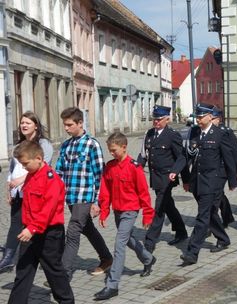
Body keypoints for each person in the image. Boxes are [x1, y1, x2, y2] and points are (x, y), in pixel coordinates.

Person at [8, 140, 74, 304]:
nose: (23, 167)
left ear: (38, 158)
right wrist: (28, 228)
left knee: (53, 271)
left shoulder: (51, 179)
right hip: (30, 231)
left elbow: (48, 209)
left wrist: (32, 228)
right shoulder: (31, 176)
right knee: (23, 270)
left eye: (25, 164)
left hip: (48, 234)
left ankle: (66, 301)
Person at [94, 132, 156, 301]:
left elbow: (144, 193)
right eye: (109, 150)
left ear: (124, 147)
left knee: (119, 243)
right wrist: (104, 211)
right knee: (128, 240)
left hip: (130, 211)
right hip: (117, 211)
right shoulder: (110, 167)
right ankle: (148, 259)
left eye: (114, 150)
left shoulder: (134, 167)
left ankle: (112, 285)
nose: (111, 153)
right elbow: (105, 191)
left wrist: (147, 215)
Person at [56, 107, 112, 280]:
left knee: (73, 232)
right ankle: (107, 258)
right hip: (71, 197)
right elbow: (59, 173)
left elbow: (100, 175)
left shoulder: (92, 144)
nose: (66, 128)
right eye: (64, 125)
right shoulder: (66, 145)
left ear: (80, 123)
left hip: (85, 197)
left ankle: (63, 275)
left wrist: (97, 202)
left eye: (69, 124)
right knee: (88, 229)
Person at [180, 103, 237, 266]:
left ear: (210, 117)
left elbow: (228, 157)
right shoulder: (195, 134)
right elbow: (187, 157)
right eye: (197, 117)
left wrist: (232, 180)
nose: (198, 120)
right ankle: (224, 238)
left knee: (202, 216)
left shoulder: (220, 134)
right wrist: (179, 174)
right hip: (197, 182)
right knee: (211, 213)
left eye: (201, 117)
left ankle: (192, 252)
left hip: (212, 181)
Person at [1, 112, 53, 273]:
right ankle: (9, 259)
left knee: (33, 224)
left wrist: (20, 181)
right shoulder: (19, 145)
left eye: (27, 123)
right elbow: (12, 169)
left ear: (36, 125)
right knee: (15, 224)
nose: (23, 125)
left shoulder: (43, 144)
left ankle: (42, 255)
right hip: (18, 193)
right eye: (22, 123)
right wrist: (9, 188)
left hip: (33, 192)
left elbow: (42, 167)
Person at [138, 105, 188, 253]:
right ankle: (181, 231)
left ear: (167, 119)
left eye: (159, 120)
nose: (156, 122)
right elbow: (144, 155)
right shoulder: (150, 134)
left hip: (168, 178)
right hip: (155, 177)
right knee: (168, 206)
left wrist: (183, 178)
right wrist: (137, 168)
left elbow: (181, 157)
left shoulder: (173, 135)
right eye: (154, 119)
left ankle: (149, 242)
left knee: (159, 208)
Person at [211, 106, 237, 228]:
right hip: (211, 170)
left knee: (215, 196)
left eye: (212, 118)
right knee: (217, 194)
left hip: (223, 170)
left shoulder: (226, 131)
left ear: (218, 119)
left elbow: (235, 152)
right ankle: (227, 216)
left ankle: (210, 224)